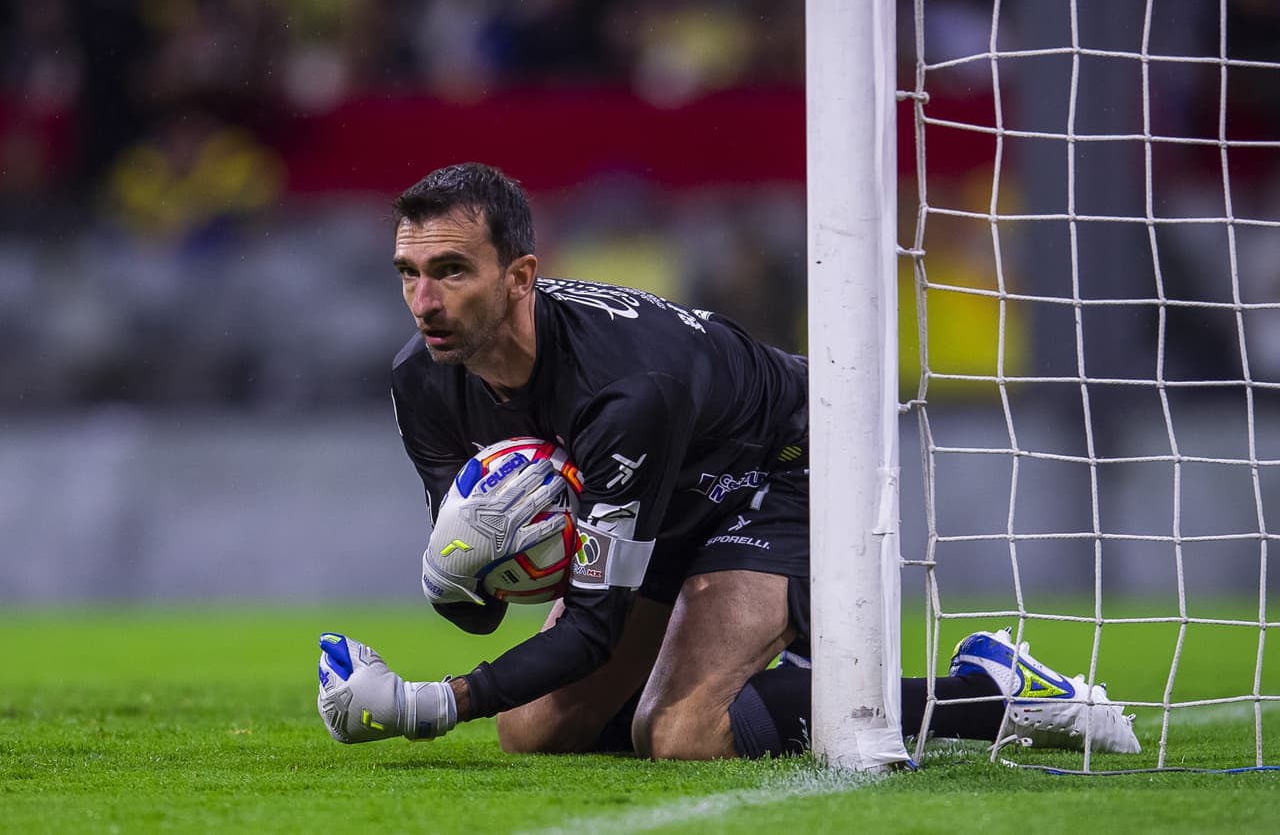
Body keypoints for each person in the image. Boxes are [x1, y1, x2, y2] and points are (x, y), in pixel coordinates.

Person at [315, 162, 1141, 759]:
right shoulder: (422, 381)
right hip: (674, 489)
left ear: (521, 276)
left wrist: (429, 704)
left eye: (451, 271)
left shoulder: (624, 391)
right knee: (532, 730)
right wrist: (458, 574)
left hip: (796, 461)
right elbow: (478, 605)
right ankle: (762, 680)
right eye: (409, 273)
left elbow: (594, 628)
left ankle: (991, 692)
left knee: (681, 733)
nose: (424, 302)